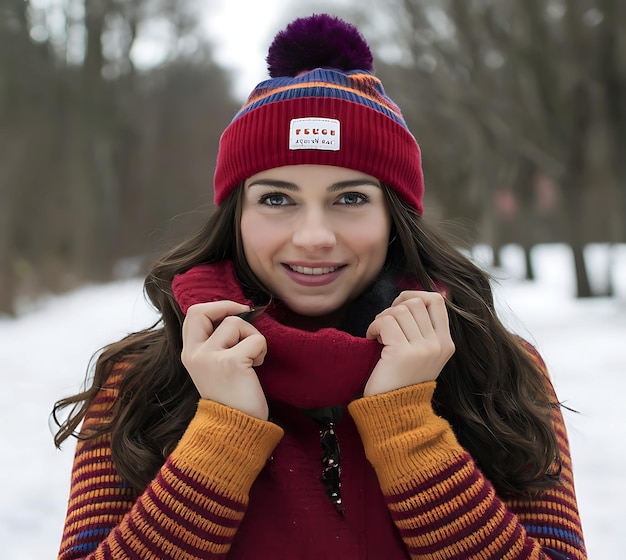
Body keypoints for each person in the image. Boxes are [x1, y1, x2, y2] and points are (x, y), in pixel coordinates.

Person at [53, 13, 587, 560]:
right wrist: (222, 436)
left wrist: (408, 430)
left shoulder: (493, 368)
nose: (313, 237)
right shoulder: (141, 381)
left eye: (350, 199)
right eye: (277, 199)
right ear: (236, 216)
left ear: (393, 217)